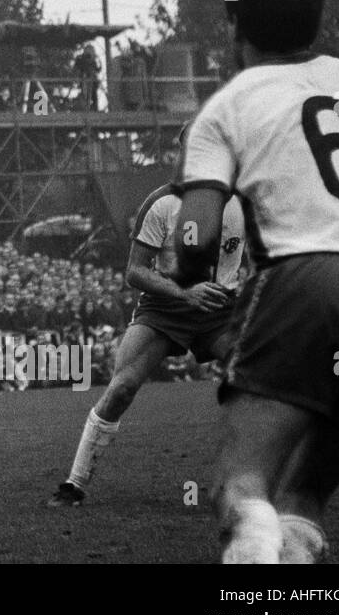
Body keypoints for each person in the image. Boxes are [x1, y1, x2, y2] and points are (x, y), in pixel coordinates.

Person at [174, 0, 339, 563]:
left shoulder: (229, 105)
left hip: (308, 280)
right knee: (305, 492)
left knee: (242, 486)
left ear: (234, 27)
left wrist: (183, 272)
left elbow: (197, 239)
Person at [49, 125, 245, 507]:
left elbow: (255, 262)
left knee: (258, 382)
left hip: (220, 310)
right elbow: (135, 272)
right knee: (121, 388)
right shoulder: (161, 203)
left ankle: (259, 483)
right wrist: (184, 294)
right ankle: (74, 485)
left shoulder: (243, 204)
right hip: (166, 307)